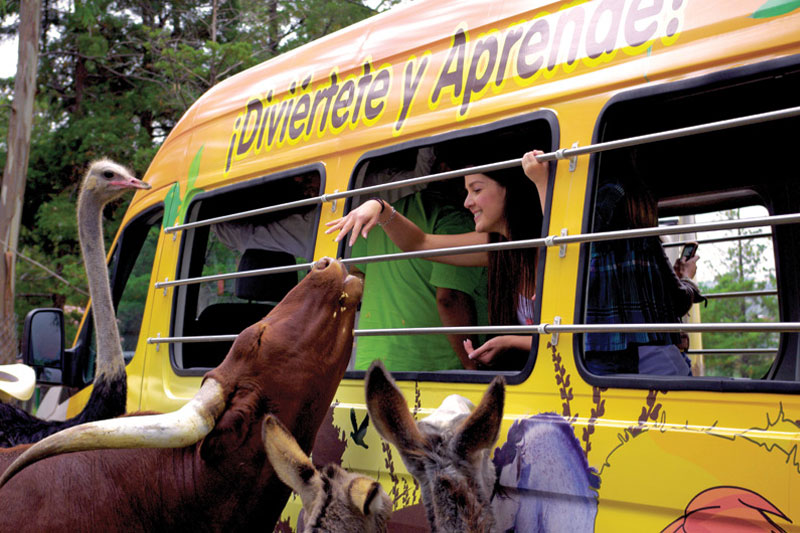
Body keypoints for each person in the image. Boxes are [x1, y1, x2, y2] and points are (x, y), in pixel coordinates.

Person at [327, 147, 549, 370]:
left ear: (509, 189)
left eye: (476, 190)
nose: (467, 202)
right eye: (466, 191)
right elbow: (419, 243)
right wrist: (380, 207)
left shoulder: (548, 244)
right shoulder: (498, 247)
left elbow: (568, 334)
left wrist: (541, 182)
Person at [584, 164, 705, 375]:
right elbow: (678, 300)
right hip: (649, 355)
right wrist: (686, 277)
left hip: (595, 355)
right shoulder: (644, 243)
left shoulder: (586, 245)